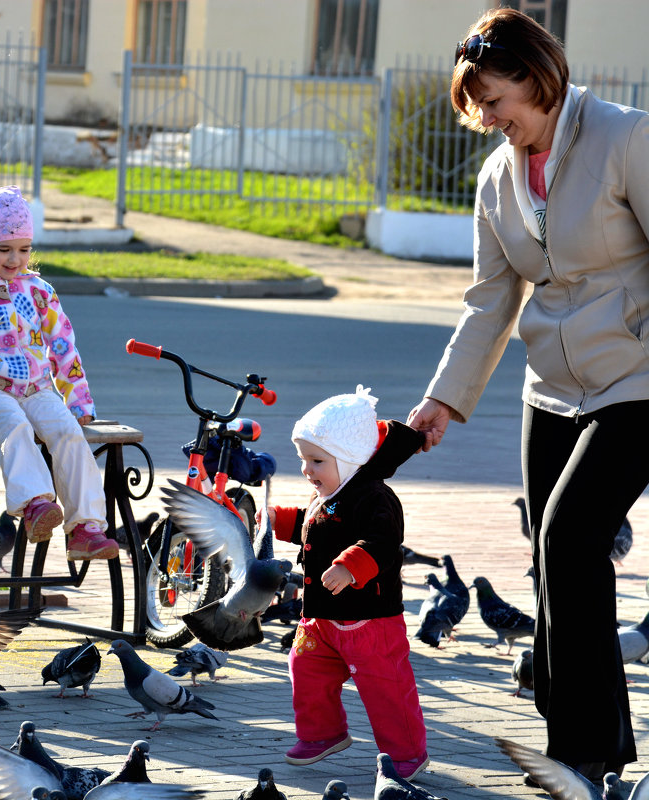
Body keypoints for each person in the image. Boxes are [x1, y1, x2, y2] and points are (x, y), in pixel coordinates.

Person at [406, 7, 649, 783]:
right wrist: (444, 398)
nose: (487, 117)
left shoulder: (624, 138)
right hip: (551, 388)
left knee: (573, 537)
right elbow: (490, 302)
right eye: (475, 103)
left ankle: (576, 755)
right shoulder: (496, 176)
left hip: (637, 377)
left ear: (538, 79)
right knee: (551, 567)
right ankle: (595, 746)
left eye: (495, 98)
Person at [0, 185, 118, 560]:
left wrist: (79, 401)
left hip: (37, 387)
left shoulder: (39, 289)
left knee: (67, 431)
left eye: (24, 249)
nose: (15, 259)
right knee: (14, 425)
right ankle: (35, 505)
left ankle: (84, 528)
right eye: (4, 249)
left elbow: (63, 346)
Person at [260, 386, 428, 778]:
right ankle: (323, 734)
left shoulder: (375, 497)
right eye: (304, 459)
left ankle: (406, 753)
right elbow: (312, 523)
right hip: (320, 617)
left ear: (351, 459)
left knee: (385, 687)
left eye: (317, 460)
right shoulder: (329, 495)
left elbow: (385, 543)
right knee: (305, 669)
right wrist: (275, 519)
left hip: (370, 620)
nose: (307, 470)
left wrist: (352, 566)